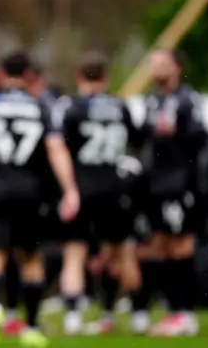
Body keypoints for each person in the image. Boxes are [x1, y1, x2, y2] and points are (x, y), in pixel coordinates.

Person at [0, 51, 80, 347]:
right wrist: (70, 189)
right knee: (31, 260)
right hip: (30, 195)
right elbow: (57, 150)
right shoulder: (41, 107)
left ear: (0, 73)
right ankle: (32, 328)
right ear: (30, 75)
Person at [53, 51, 143, 335]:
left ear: (79, 77)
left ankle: (72, 317)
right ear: (106, 77)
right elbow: (135, 141)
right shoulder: (121, 107)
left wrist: (68, 189)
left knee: (75, 252)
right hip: (115, 186)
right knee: (123, 251)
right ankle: (139, 314)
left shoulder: (74, 109)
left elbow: (61, 147)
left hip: (83, 186)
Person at [132, 48, 206, 337]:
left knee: (180, 244)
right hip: (157, 183)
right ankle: (170, 308)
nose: (155, 68)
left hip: (181, 183)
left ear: (176, 67)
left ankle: (185, 313)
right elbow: (140, 136)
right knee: (158, 245)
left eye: (161, 63)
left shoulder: (188, 99)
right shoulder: (152, 100)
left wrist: (176, 131)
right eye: (152, 63)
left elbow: (200, 138)